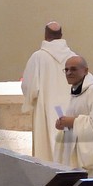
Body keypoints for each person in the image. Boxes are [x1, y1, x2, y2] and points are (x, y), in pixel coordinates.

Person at [20, 20, 74, 162]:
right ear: (61, 35)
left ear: (45, 35)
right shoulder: (73, 58)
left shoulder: (38, 57)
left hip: (46, 108)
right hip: (69, 110)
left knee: (46, 155)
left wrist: (30, 99)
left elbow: (29, 87)